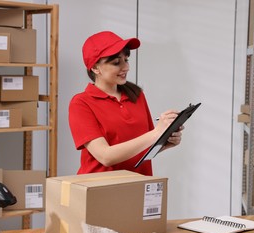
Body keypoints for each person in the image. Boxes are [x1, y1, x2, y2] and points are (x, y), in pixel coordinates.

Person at [68, 31, 184, 176]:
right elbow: (106, 156)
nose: (126, 67)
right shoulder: (81, 103)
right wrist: (156, 133)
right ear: (95, 68)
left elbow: (140, 148)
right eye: (116, 62)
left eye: (126, 60)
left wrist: (164, 142)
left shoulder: (136, 95)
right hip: (99, 190)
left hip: (139, 186)